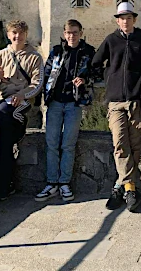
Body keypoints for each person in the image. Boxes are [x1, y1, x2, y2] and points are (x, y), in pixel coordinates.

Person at [92, 2, 141, 212]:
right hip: (116, 101)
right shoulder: (111, 40)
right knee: (120, 144)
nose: (125, 21)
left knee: (136, 147)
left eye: (128, 18)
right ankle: (130, 187)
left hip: (137, 101)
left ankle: (121, 187)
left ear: (134, 19)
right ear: (117, 21)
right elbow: (96, 62)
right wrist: (109, 79)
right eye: (122, 18)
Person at [35, 20, 95, 203]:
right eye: (69, 32)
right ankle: (52, 183)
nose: (71, 36)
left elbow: (97, 73)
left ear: (81, 33)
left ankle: (64, 183)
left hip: (74, 103)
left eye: (75, 32)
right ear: (64, 33)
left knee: (68, 144)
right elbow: (46, 73)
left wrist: (84, 80)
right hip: (55, 102)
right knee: (51, 143)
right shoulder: (56, 51)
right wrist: (42, 98)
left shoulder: (89, 52)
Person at [0, 20, 44, 201]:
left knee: (6, 126)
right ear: (9, 35)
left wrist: (22, 94)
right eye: (14, 33)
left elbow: (37, 83)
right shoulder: (2, 54)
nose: (17, 36)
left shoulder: (34, 57)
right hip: (4, 101)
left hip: (24, 101)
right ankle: (5, 184)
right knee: (5, 138)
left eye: (20, 33)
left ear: (26, 35)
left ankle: (4, 184)